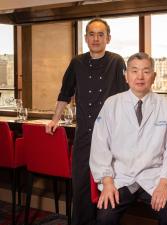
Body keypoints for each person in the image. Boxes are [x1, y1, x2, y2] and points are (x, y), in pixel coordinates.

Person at [45, 18, 128, 225]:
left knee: (108, 184)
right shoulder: (77, 62)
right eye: (91, 34)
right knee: (81, 184)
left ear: (108, 38)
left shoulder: (116, 61)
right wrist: (55, 119)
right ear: (86, 38)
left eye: (101, 34)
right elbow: (65, 92)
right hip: (84, 135)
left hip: (111, 136)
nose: (96, 38)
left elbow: (126, 97)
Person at [89, 52, 167, 225]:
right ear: (126, 76)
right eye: (134, 71)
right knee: (104, 218)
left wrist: (165, 182)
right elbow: (100, 146)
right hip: (120, 177)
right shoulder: (112, 104)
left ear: (154, 76)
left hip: (154, 178)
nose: (140, 76)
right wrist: (107, 181)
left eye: (146, 71)